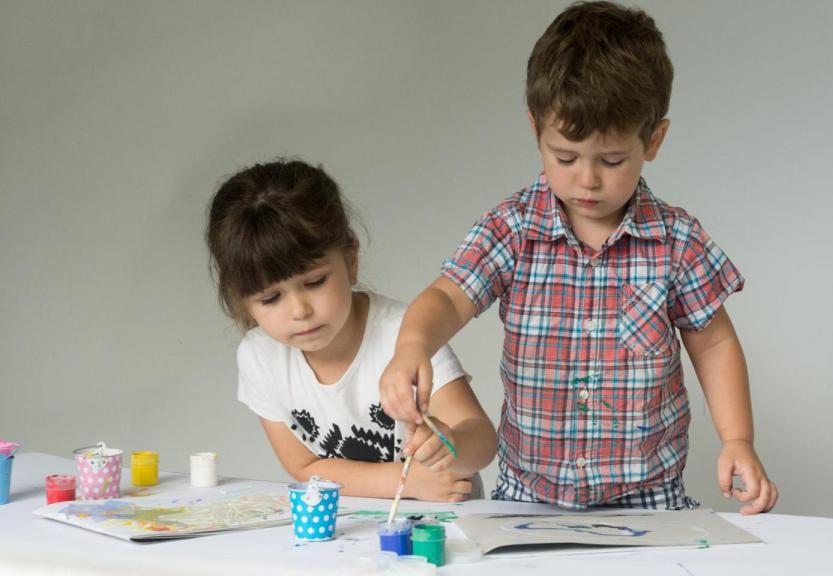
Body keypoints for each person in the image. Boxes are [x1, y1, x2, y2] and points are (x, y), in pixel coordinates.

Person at [381, 1, 778, 513]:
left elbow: (715, 342)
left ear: (653, 140)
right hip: (529, 496)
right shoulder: (513, 228)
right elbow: (447, 298)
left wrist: (738, 439)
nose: (587, 179)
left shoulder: (676, 240)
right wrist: (412, 344)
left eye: (612, 161)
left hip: (648, 497)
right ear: (536, 131)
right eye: (565, 157)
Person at [206, 159, 496, 502]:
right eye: (270, 298)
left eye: (315, 282)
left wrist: (453, 445)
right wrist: (407, 484)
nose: (300, 310)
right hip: (351, 531)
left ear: (350, 260)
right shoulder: (259, 357)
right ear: (243, 302)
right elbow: (304, 466)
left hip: (443, 525)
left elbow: (483, 442)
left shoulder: (405, 337)